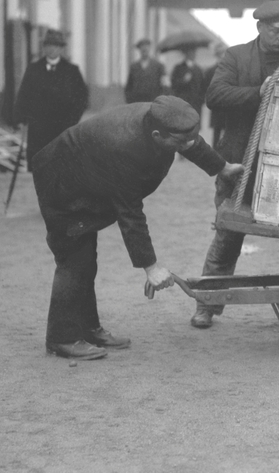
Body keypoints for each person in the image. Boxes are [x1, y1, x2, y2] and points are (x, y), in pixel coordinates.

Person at [32, 95, 244, 360]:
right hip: (63, 184)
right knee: (74, 259)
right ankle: (62, 338)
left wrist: (222, 167)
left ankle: (87, 328)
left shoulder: (165, 122)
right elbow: (130, 212)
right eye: (179, 143)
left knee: (87, 260)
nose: (185, 146)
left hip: (86, 178)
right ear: (157, 136)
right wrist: (151, 267)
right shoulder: (124, 147)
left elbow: (191, 142)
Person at [191, 0, 279, 331]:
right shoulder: (236, 56)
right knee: (228, 232)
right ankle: (207, 303)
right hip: (242, 161)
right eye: (276, 31)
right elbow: (215, 96)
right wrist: (258, 93)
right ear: (260, 28)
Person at [15, 29, 89, 166]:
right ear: (44, 48)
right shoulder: (33, 69)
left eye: (55, 46)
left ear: (61, 49)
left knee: (62, 165)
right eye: (48, 45)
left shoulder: (71, 71)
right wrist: (23, 118)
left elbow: (82, 97)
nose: (51, 49)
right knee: (40, 167)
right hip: (39, 129)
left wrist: (73, 119)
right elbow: (24, 95)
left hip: (63, 127)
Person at [200, 42, 227, 148]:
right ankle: (216, 153)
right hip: (217, 105)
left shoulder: (231, 69)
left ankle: (225, 153)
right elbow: (206, 88)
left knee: (227, 132)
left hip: (228, 104)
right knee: (217, 131)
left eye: (224, 53)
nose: (222, 56)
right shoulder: (211, 71)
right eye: (220, 54)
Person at [124, 39, 165, 104]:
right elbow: (129, 87)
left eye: (146, 48)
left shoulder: (158, 66)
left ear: (150, 49)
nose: (144, 50)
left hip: (153, 101)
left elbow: (163, 86)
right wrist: (130, 102)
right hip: (137, 102)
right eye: (142, 48)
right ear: (139, 50)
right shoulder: (134, 67)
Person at [170, 46, 206, 113]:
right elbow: (174, 85)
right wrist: (184, 80)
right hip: (182, 103)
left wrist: (200, 100)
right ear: (186, 53)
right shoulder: (178, 68)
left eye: (194, 52)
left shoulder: (198, 69)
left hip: (195, 104)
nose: (194, 54)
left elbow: (202, 86)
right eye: (191, 52)